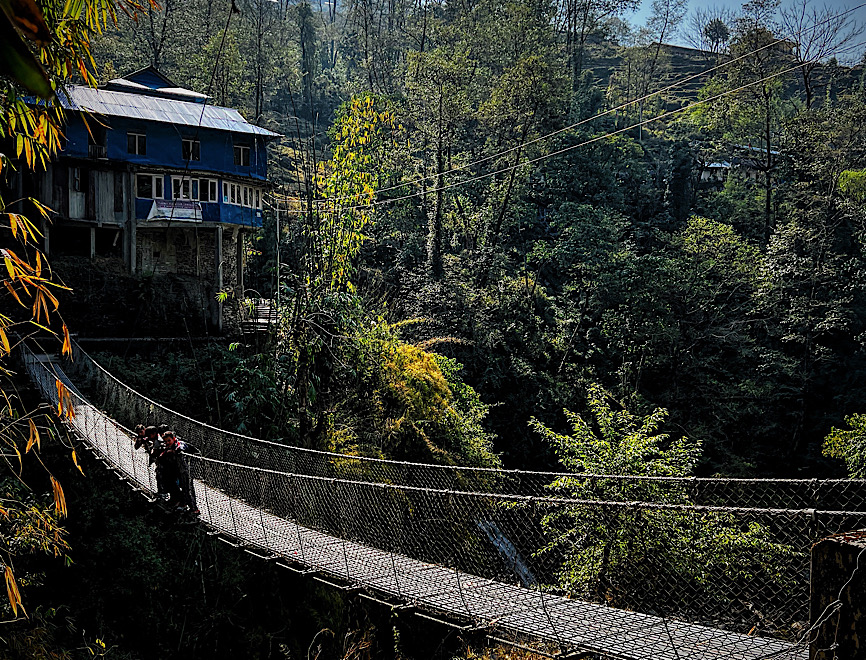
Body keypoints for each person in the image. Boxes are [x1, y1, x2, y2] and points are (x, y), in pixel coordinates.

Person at [157, 431, 200, 515]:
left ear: (174, 439)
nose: (167, 443)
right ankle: (181, 502)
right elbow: (162, 455)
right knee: (171, 481)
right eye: (165, 441)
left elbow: (181, 448)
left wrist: (174, 451)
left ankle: (194, 509)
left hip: (190, 465)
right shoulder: (168, 447)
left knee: (187, 487)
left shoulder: (180, 444)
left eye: (169, 440)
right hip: (179, 468)